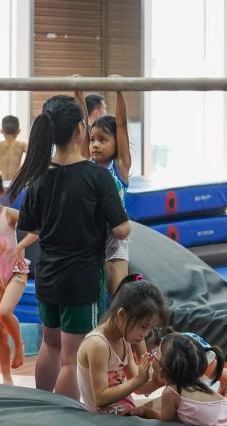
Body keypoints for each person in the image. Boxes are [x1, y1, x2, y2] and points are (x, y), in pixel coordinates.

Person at [10, 95, 130, 400]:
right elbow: (122, 230)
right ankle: (62, 419)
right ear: (81, 129)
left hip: (48, 276)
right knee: (72, 358)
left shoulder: (38, 178)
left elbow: (32, 226)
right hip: (80, 280)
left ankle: (42, 406)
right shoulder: (97, 177)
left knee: (50, 345)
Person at [76, 279, 168, 414]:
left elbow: (139, 389)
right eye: (144, 327)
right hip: (104, 420)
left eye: (150, 328)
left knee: (170, 402)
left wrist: (159, 381)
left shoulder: (124, 340)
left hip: (124, 412)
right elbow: (100, 398)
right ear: (122, 314)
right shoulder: (98, 345)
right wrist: (138, 380)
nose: (145, 334)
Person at [0, 167, 36, 385]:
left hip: (16, 273)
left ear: (0, 192)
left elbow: (37, 228)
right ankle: (6, 378)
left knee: (4, 312)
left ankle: (19, 345)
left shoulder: (9, 215)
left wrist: (21, 246)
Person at [89, 90, 132, 296]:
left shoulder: (120, 166)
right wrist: (78, 92)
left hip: (115, 240)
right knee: (96, 299)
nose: (95, 145)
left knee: (118, 298)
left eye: (103, 140)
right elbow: (82, 124)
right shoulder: (86, 166)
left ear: (117, 143)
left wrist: (119, 90)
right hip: (92, 237)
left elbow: (121, 125)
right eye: (92, 140)